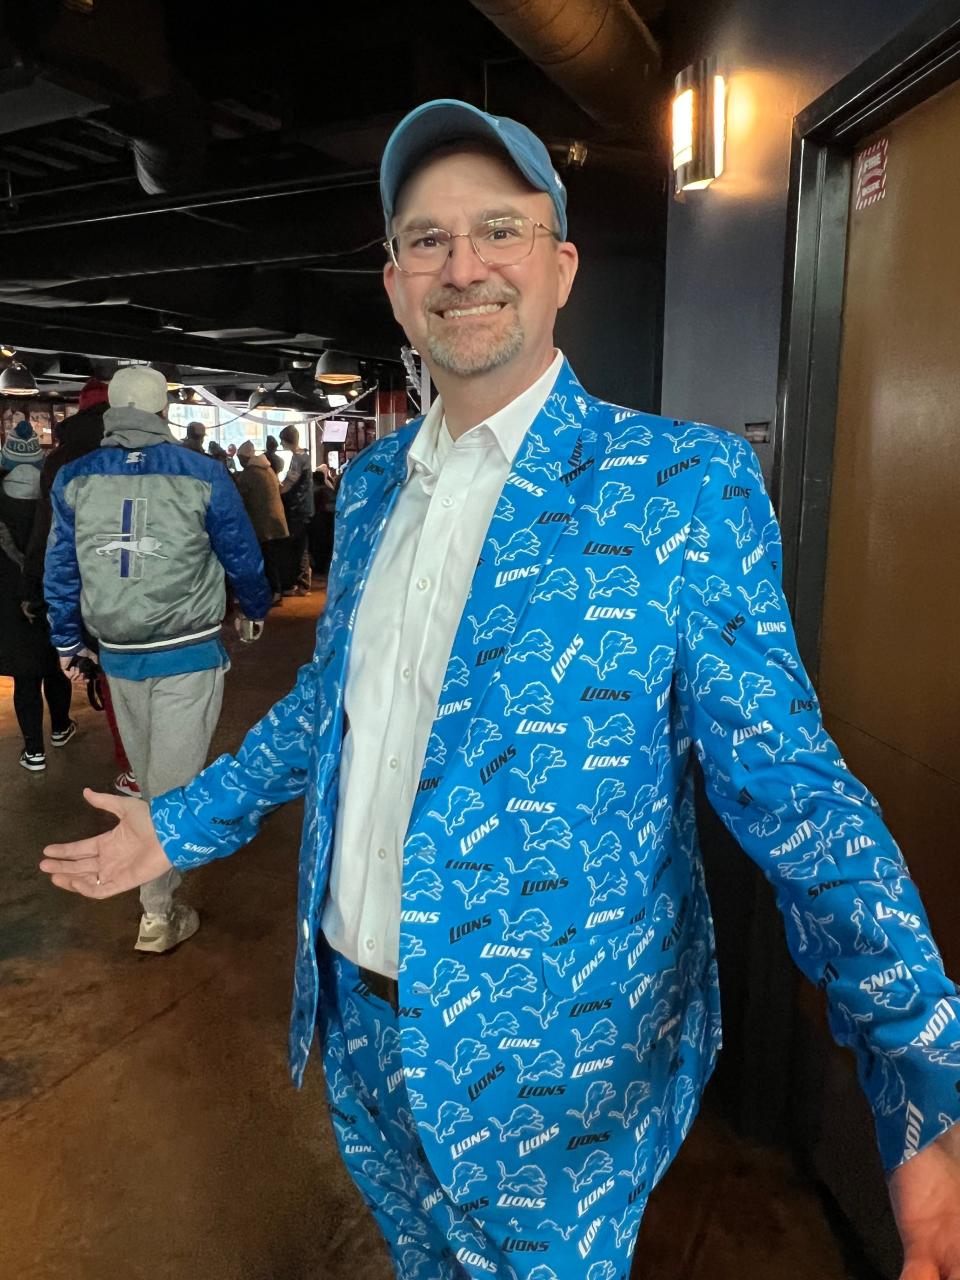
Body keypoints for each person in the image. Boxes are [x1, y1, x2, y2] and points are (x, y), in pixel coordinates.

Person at [39, 101, 960, 1279]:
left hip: (556, 1084)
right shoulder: (372, 488)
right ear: (392, 282)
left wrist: (924, 1084)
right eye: (426, 238)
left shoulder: (679, 485)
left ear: (562, 265)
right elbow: (331, 708)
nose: (462, 263)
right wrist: (180, 822)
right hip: (363, 1033)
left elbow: (800, 797)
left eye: (499, 229)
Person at [44, 364, 271, 954]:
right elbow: (240, 550)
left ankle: (156, 896)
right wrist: (254, 604)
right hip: (186, 654)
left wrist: (69, 642)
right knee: (174, 784)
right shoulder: (203, 474)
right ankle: (157, 911)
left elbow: (61, 570)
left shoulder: (73, 478)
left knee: (147, 773)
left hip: (118, 656)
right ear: (163, 412)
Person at [21, 378, 140, 796]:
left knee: (108, 674)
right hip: (142, 577)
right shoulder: (136, 450)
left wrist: (35, 590)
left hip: (88, 582)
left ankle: (131, 766)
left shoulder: (61, 461)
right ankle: (153, 761)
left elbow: (48, 534)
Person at [0, 422, 76, 770]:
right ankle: (61, 727)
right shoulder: (52, 496)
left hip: (8, 604)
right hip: (49, 596)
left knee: (24, 677)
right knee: (54, 667)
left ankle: (34, 751)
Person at [234, 439, 288, 604]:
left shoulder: (249, 474)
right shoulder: (268, 469)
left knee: (265, 560)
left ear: (245, 458)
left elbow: (238, 498)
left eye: (240, 459)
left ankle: (273, 593)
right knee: (274, 558)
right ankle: (277, 590)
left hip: (262, 525)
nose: (240, 462)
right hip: (277, 521)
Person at [278, 424, 314, 595]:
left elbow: (290, 482)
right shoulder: (304, 456)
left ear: (287, 440)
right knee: (302, 546)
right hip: (306, 508)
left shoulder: (298, 459)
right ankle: (304, 582)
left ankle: (299, 583)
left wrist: (276, 490)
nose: (281, 445)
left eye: (282, 441)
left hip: (298, 509)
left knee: (296, 547)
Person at [308, 460, 338, 582]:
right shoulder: (329, 490)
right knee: (327, 546)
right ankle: (325, 567)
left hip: (318, 522)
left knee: (318, 546)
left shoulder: (315, 492)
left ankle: (319, 568)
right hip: (329, 523)